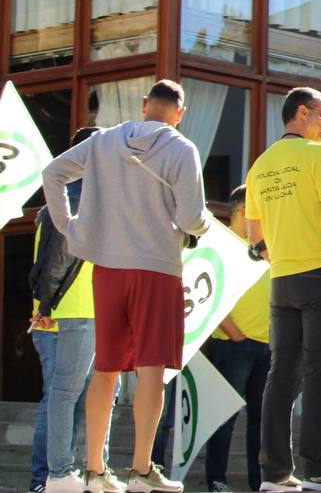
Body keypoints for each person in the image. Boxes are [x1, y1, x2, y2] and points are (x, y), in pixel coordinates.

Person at [42, 79, 213, 493]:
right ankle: (140, 471)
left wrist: (70, 228)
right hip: (156, 266)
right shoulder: (181, 148)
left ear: (143, 105)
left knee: (106, 368)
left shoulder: (103, 141)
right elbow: (192, 218)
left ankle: (96, 471)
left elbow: (53, 172)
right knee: (152, 367)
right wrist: (204, 225)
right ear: (180, 112)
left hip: (109, 267)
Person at [245, 87, 321, 492]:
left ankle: (274, 474)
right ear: (301, 113)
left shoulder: (259, 166)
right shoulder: (317, 155)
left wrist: (272, 255)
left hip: (282, 281)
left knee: (281, 375)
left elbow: (253, 232)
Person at [30, 127, 103, 493]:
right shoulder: (74, 196)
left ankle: (53, 477)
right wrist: (46, 306)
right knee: (63, 397)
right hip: (65, 312)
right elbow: (59, 260)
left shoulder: (63, 198)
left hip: (60, 313)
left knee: (64, 397)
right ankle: (51, 477)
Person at [204, 186, 272, 493]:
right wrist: (235, 334)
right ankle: (217, 480)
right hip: (234, 345)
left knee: (262, 421)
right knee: (225, 418)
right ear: (244, 211)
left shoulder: (266, 247)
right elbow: (207, 295)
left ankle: (260, 483)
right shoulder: (220, 245)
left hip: (267, 347)